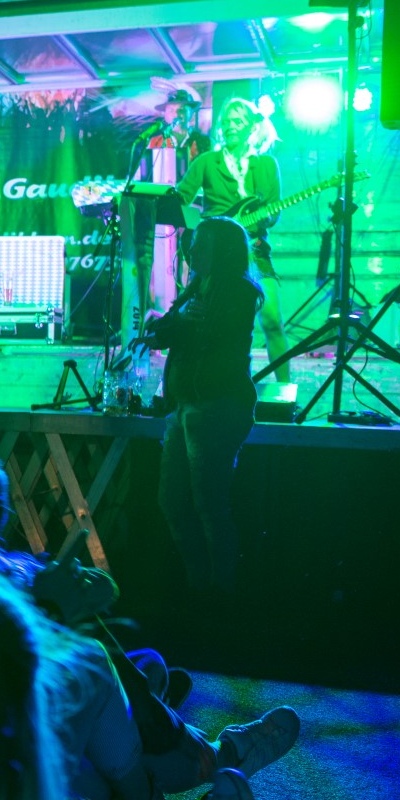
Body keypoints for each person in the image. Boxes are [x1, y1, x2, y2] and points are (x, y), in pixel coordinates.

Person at [138, 215, 264, 593]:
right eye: (192, 244)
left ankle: (219, 593)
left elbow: (216, 340)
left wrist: (181, 325)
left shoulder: (240, 292)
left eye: (201, 245)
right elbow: (160, 333)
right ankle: (199, 584)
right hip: (184, 407)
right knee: (171, 500)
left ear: (223, 251)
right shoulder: (195, 287)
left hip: (217, 408)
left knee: (209, 504)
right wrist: (175, 320)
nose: (191, 251)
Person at [174, 97, 290, 384]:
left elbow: (273, 214)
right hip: (213, 254)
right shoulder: (206, 162)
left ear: (252, 126)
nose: (230, 126)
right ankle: (211, 386)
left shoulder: (266, 164)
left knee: (272, 320)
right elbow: (180, 201)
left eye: (237, 121)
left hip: (254, 251)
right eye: (226, 122)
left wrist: (260, 218)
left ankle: (286, 390)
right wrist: (197, 233)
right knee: (207, 322)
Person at [122, 89, 203, 332]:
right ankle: (153, 320)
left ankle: (186, 317)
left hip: (190, 213)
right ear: (165, 115)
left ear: (190, 114)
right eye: (173, 109)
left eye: (183, 109)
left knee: (188, 261)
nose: (178, 113)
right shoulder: (154, 142)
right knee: (154, 265)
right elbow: (141, 178)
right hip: (158, 216)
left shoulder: (201, 143)